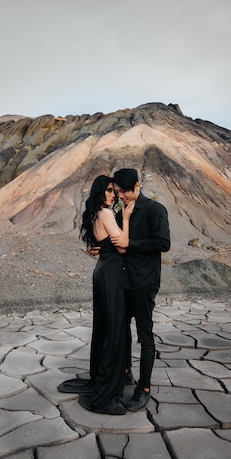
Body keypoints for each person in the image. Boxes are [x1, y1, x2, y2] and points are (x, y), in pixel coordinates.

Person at [57, 175, 134, 415]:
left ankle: (108, 376)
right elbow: (122, 245)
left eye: (114, 191)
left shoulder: (94, 214)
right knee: (113, 328)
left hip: (103, 271)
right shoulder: (106, 213)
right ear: (100, 192)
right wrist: (128, 219)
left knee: (105, 327)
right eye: (109, 190)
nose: (113, 195)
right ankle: (107, 390)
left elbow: (97, 244)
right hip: (111, 273)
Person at [110, 168, 170, 411]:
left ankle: (144, 387)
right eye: (117, 192)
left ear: (137, 186)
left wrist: (130, 244)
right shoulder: (119, 212)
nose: (120, 195)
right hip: (122, 282)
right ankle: (125, 373)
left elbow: (163, 243)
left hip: (144, 282)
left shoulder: (155, 210)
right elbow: (115, 243)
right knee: (122, 330)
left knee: (145, 335)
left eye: (123, 191)